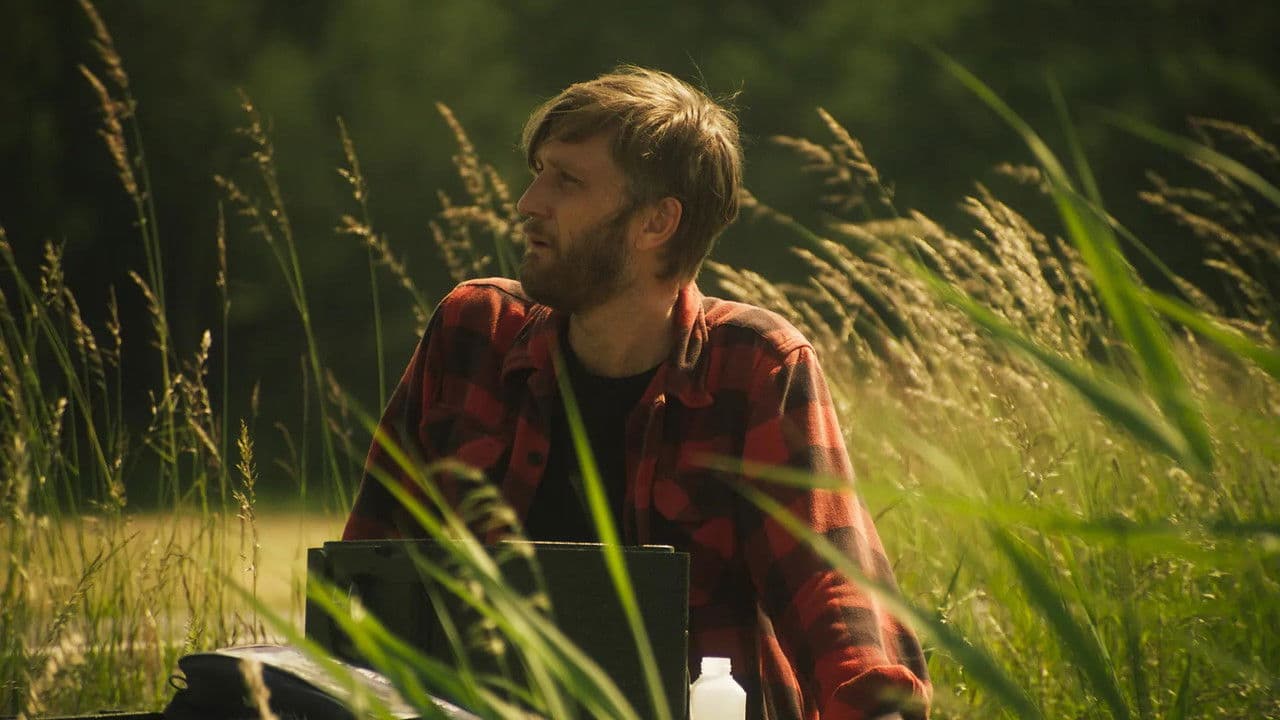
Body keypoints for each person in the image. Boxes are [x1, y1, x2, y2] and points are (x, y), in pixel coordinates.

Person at [342, 66, 931, 720]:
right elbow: (365, 576)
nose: (528, 202)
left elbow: (834, 598)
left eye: (567, 180)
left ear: (656, 222)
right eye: (538, 171)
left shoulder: (754, 367)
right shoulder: (474, 330)